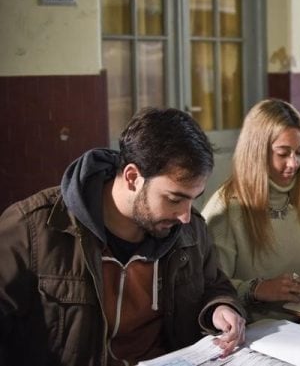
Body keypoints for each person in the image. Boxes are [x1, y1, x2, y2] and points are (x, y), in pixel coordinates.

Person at [0, 108, 246, 366]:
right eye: (175, 198)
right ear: (132, 177)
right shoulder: (32, 230)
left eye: (194, 198)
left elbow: (214, 285)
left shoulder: (190, 230)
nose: (185, 216)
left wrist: (219, 308)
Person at [202, 99, 300, 322]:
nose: (293, 163)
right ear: (257, 152)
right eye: (283, 153)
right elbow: (212, 289)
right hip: (254, 334)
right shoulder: (226, 208)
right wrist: (258, 289)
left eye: (299, 152)